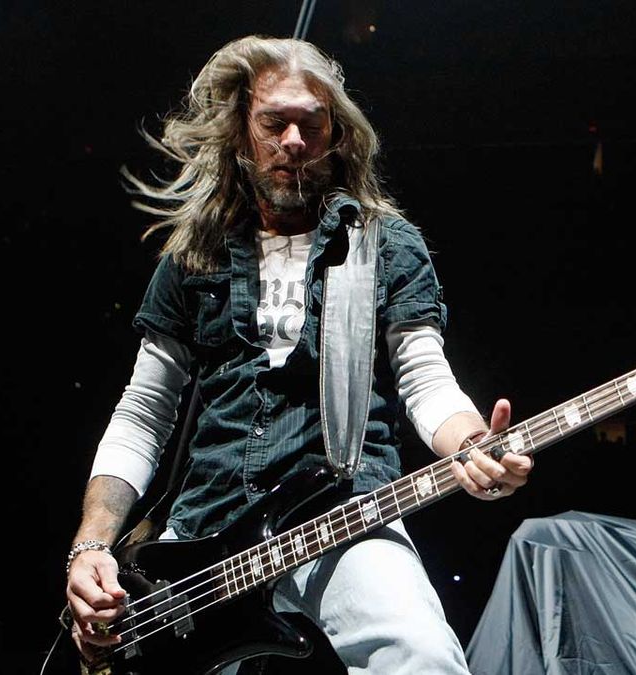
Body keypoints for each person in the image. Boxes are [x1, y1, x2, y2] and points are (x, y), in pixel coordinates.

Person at [63, 35, 533, 673]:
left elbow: (424, 379)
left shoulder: (382, 245)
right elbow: (144, 411)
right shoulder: (193, 256)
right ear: (240, 134)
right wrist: (93, 545)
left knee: (421, 657)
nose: (293, 142)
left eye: (311, 126)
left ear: (336, 135)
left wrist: (472, 443)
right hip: (205, 535)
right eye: (273, 123)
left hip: (343, 516)